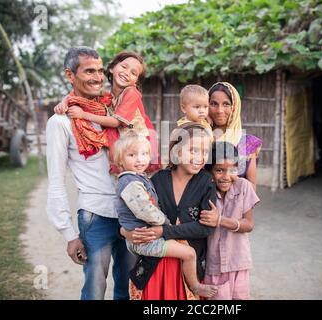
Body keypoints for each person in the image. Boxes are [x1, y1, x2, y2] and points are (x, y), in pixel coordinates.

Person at [46, 46, 135, 300]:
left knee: (129, 289)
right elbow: (56, 182)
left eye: (99, 70)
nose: (97, 77)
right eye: (89, 71)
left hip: (130, 211)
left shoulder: (112, 110)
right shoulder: (61, 122)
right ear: (70, 75)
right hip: (96, 215)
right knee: (95, 291)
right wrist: (69, 234)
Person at [121, 123, 219, 300]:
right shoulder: (158, 179)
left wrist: (164, 231)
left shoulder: (206, 182)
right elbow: (133, 213)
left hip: (187, 268)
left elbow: (206, 228)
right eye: (193, 150)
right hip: (154, 265)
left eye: (205, 152)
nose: (200, 157)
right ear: (177, 151)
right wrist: (124, 231)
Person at [54, 51, 159, 173]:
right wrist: (64, 102)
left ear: (135, 81)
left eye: (134, 73)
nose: (127, 73)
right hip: (126, 144)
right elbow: (79, 97)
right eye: (124, 67)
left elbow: (115, 122)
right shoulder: (108, 93)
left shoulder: (132, 93)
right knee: (124, 180)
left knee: (137, 181)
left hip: (138, 144)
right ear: (112, 68)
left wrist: (83, 115)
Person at [201, 141, 260, 300]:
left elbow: (249, 224)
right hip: (214, 265)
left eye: (232, 170)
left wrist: (220, 220)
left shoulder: (244, 187)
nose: (226, 176)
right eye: (219, 170)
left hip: (238, 261)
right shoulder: (204, 190)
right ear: (209, 171)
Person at [208, 82, 263, 186]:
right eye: (214, 104)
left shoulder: (246, 143)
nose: (220, 110)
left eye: (226, 104)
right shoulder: (198, 138)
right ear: (207, 105)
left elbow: (251, 187)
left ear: (235, 107)